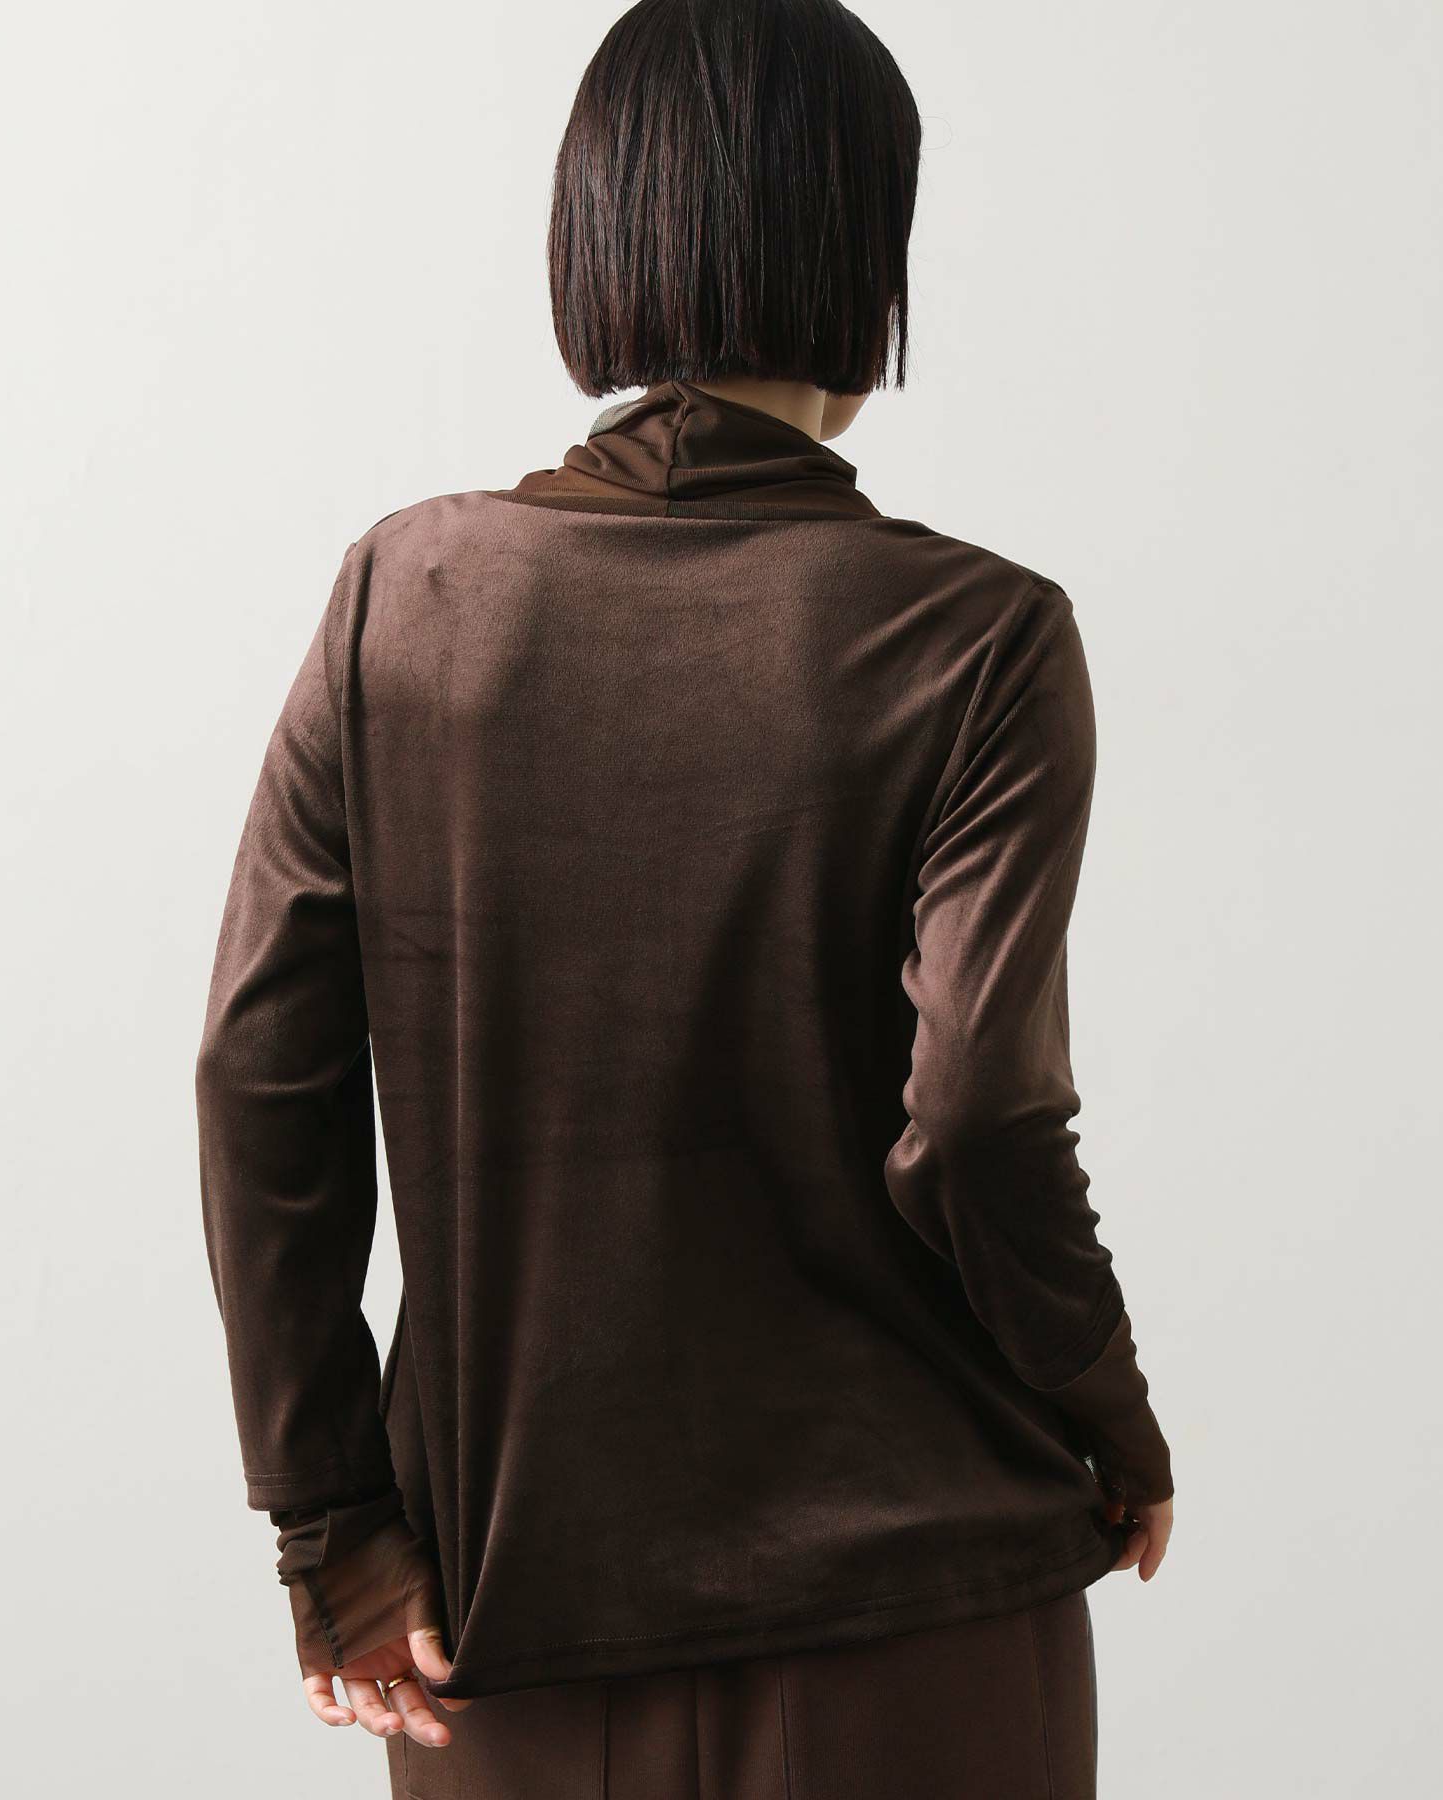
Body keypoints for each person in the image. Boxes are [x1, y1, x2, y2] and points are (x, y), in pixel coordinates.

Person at [194, 2, 1174, 1795]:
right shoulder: (978, 638)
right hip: (925, 1617)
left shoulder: (402, 602)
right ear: (868, 257)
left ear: (598, 237)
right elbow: (976, 1114)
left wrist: (332, 1523)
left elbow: (261, 1082)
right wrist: (1109, 1406)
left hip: (499, 1635)